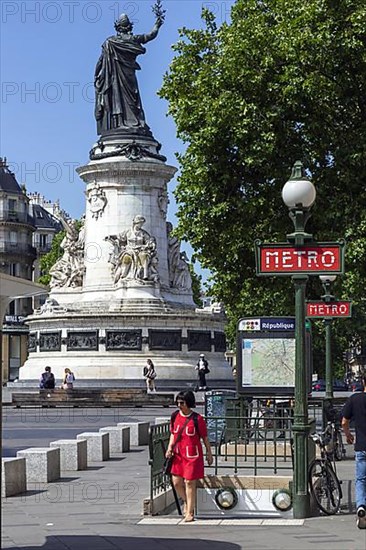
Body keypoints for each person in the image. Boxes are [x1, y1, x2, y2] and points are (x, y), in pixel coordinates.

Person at [94, 11, 164, 135]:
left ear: (117, 27)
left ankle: (119, 123)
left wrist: (96, 75)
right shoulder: (133, 39)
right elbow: (150, 35)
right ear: (129, 27)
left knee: (117, 99)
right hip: (130, 77)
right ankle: (135, 121)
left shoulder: (110, 42)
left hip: (115, 78)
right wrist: (157, 25)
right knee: (133, 99)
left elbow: (100, 61)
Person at [165, 390, 213, 522]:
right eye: (178, 402)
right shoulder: (175, 416)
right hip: (178, 454)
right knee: (176, 482)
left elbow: (204, 437)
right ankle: (187, 501)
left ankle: (190, 512)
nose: (179, 405)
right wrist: (170, 448)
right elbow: (173, 433)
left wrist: (209, 453)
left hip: (192, 455)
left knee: (189, 482)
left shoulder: (197, 419)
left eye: (182, 403)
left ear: (188, 403)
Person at [342, 374, 366, 529]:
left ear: (363, 382)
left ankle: (361, 506)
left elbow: (344, 421)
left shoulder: (355, 399)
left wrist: (348, 435)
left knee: (361, 480)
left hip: (362, 447)